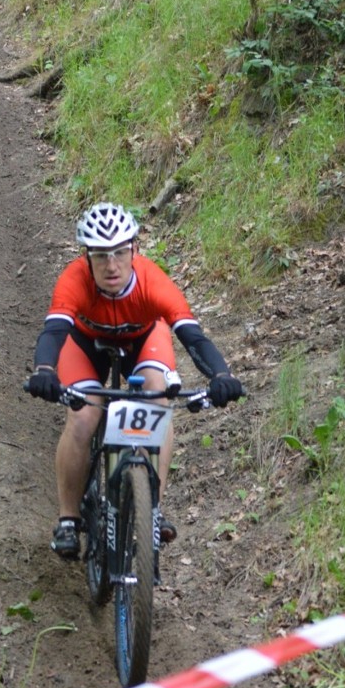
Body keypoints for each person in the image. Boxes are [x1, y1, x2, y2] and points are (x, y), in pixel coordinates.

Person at [26, 202, 244, 558]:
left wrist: (221, 375)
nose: (111, 265)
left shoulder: (153, 281)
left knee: (158, 400)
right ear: (87, 257)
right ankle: (68, 519)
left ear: (135, 250)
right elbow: (54, 332)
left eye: (120, 253)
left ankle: (150, 511)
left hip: (143, 340)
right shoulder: (74, 279)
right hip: (85, 344)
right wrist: (45, 371)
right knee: (83, 417)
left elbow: (194, 337)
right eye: (100, 256)